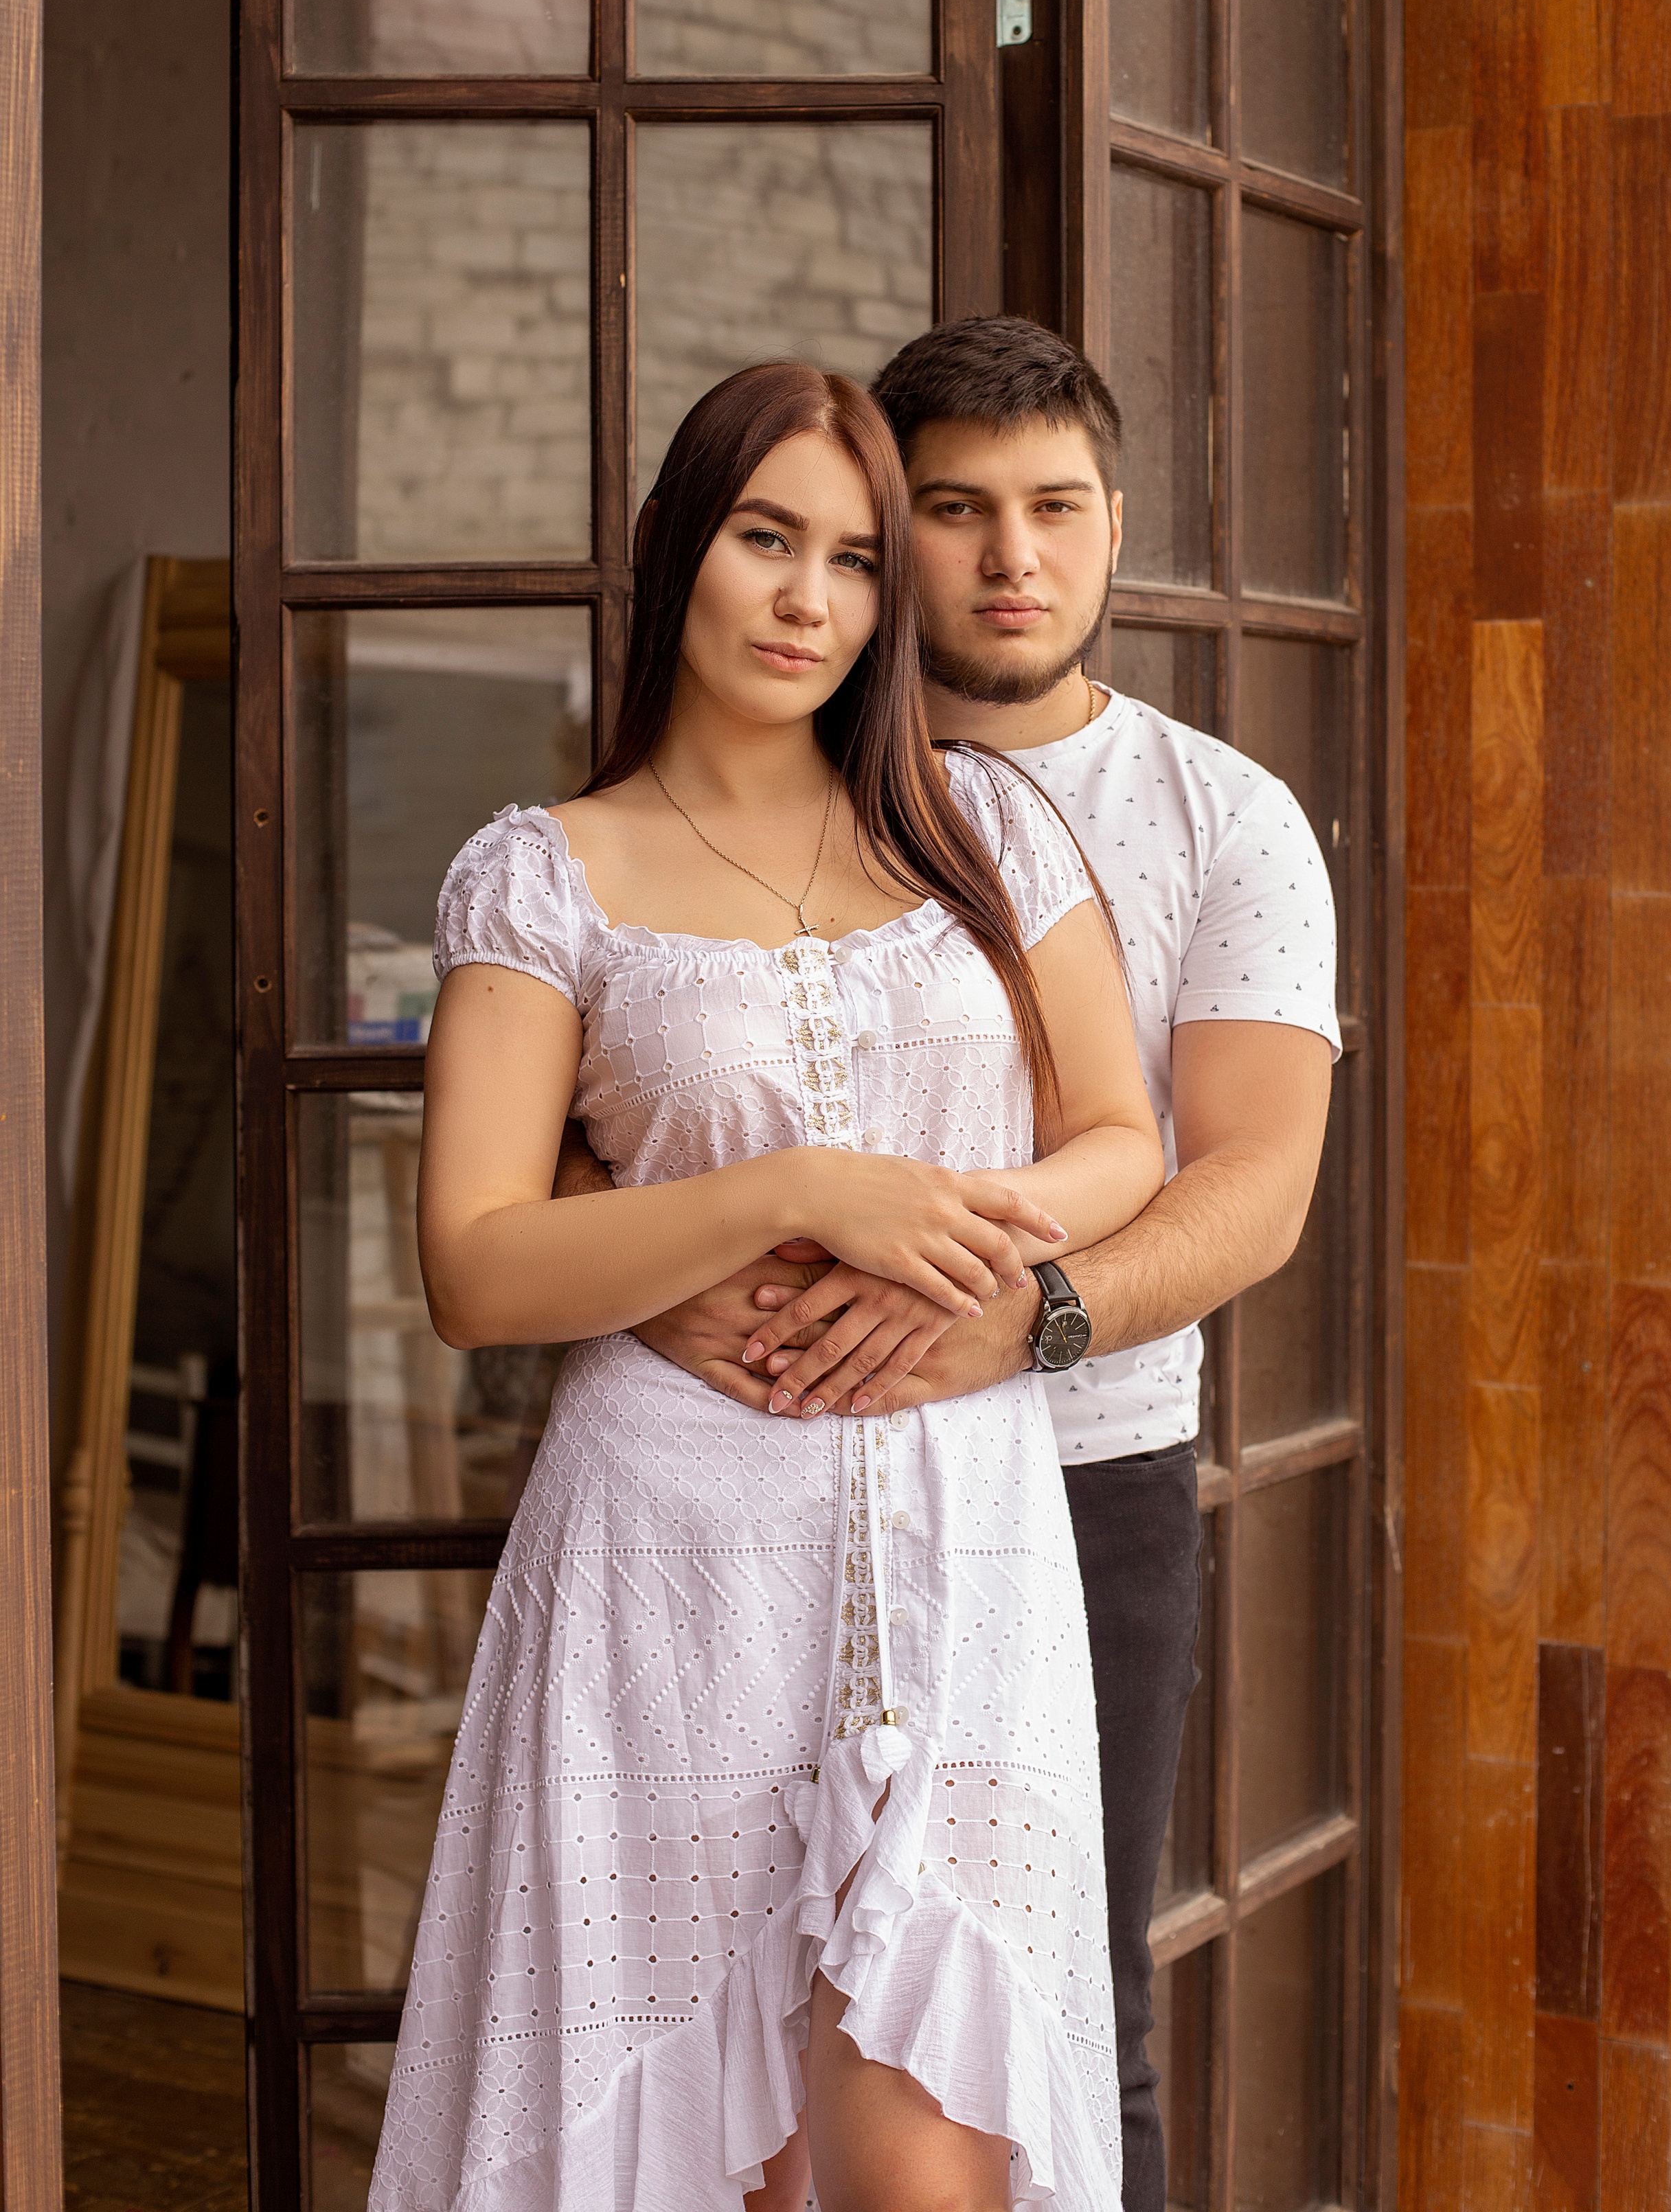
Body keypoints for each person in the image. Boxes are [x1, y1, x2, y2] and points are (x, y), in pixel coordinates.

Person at [558, 319, 1340, 2212]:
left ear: (1115, 525)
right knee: (724, 2026)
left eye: (1056, 508)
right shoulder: (722, 788)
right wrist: (657, 1274)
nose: (1011, 558)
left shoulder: (1217, 815)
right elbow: (612, 1090)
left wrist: (1022, 1322)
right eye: (958, 510)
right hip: (740, 1464)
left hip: (1075, 1476)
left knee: (1054, 2017)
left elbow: (1251, 1181)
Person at [368, 361, 1168, 2212]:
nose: (810, 599)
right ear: (679, 547)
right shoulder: (541, 879)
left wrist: (953, 1244)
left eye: (857, 560)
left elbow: (1123, 1139)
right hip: (671, 1563)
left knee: (931, 2168)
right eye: (765, 540)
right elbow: (477, 1262)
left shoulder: (984, 832)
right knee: (696, 2161)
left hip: (964, 1543)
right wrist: (793, 1195)